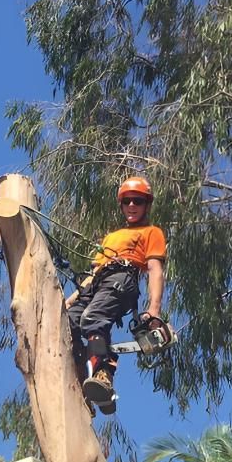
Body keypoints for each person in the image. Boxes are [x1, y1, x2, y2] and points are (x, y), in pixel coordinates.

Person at [65, 176, 167, 414]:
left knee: (93, 318)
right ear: (121, 205)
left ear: (146, 204)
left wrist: (154, 309)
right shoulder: (111, 238)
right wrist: (68, 301)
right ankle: (86, 382)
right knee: (67, 324)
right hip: (98, 281)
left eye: (138, 201)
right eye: (127, 201)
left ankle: (104, 373)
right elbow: (93, 275)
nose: (132, 206)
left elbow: (154, 269)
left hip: (123, 279)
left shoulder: (152, 232)